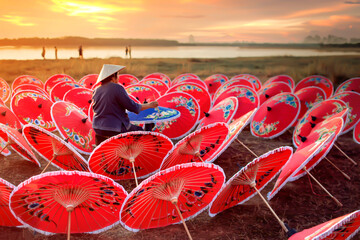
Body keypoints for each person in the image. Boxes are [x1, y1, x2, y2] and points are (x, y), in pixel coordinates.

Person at [92, 64, 159, 145]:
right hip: (115, 128)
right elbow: (133, 107)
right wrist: (150, 105)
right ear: (113, 77)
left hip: (97, 127)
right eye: (118, 75)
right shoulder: (117, 88)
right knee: (142, 132)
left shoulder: (96, 90)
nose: (119, 78)